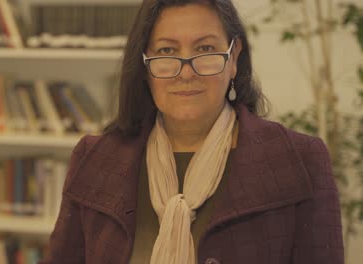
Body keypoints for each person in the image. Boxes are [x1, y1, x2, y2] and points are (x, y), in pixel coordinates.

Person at [40, 0, 344, 263]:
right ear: (145, 66)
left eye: (205, 49)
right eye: (167, 50)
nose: (186, 72)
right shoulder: (95, 159)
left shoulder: (300, 160)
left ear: (234, 57)